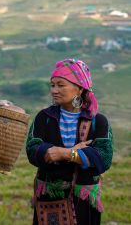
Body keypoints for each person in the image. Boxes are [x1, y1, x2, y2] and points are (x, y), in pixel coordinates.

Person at [26, 58, 113, 225]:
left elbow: (103, 157)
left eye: (61, 85)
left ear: (80, 88)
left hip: (83, 201)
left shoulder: (98, 121)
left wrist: (62, 153)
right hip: (48, 199)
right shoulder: (44, 117)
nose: (54, 90)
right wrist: (76, 153)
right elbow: (32, 149)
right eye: (52, 85)